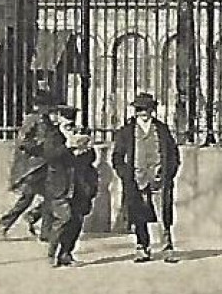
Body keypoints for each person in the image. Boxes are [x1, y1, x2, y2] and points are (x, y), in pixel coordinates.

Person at [110, 92, 181, 264]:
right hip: (136, 179)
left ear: (152, 110)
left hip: (158, 178)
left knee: (163, 213)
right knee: (138, 215)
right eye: (140, 109)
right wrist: (125, 174)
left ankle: (167, 248)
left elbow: (173, 154)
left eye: (146, 109)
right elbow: (117, 157)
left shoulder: (162, 129)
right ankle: (142, 248)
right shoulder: (126, 132)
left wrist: (169, 172)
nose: (143, 113)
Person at [0, 93, 64, 238]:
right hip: (32, 166)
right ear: (41, 106)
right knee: (28, 197)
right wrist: (38, 148)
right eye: (48, 107)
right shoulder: (32, 120)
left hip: (43, 164)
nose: (51, 110)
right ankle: (6, 222)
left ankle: (31, 217)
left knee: (50, 196)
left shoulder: (46, 121)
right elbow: (22, 141)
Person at [50, 107, 97, 268]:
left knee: (77, 221)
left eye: (71, 122)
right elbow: (50, 156)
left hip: (80, 184)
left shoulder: (79, 134)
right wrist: (68, 146)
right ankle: (51, 254)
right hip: (60, 184)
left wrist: (86, 149)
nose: (69, 125)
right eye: (65, 120)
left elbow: (91, 159)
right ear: (58, 119)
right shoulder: (53, 136)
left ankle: (66, 253)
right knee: (64, 218)